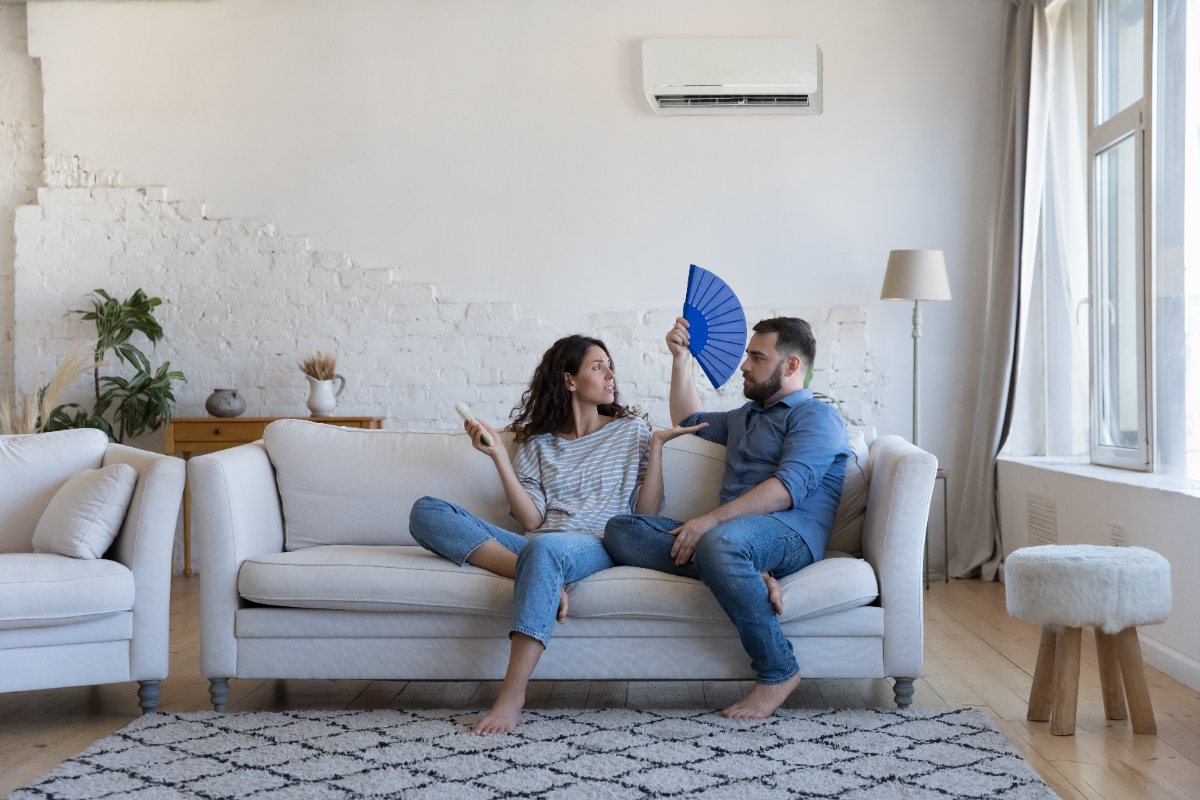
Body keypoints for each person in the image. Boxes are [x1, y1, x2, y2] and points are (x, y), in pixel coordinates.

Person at [408, 334, 700, 735]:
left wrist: (658, 448)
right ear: (569, 380)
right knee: (426, 511)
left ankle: (511, 697)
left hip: (596, 543)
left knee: (543, 550)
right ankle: (537, 576)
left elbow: (645, 516)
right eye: (598, 366)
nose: (611, 374)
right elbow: (531, 521)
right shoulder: (537, 442)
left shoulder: (631, 431)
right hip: (541, 542)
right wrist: (498, 456)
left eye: (610, 365)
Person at [604, 316, 850, 720]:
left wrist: (711, 522)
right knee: (621, 530)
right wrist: (680, 358)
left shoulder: (816, 417)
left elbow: (788, 489)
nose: (744, 365)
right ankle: (746, 573)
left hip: (790, 534)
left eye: (756, 357)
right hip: (732, 539)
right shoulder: (745, 416)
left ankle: (778, 671)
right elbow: (688, 421)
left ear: (791, 366)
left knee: (721, 543)